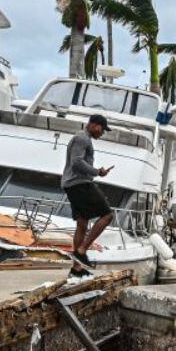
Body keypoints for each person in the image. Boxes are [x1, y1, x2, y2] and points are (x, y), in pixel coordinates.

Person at [62, 114, 115, 276]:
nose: (102, 133)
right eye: (102, 130)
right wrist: (97, 172)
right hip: (80, 184)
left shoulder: (83, 138)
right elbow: (76, 162)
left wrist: (98, 171)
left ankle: (76, 269)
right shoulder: (82, 138)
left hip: (72, 184)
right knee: (107, 215)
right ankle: (82, 250)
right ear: (94, 125)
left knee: (82, 223)